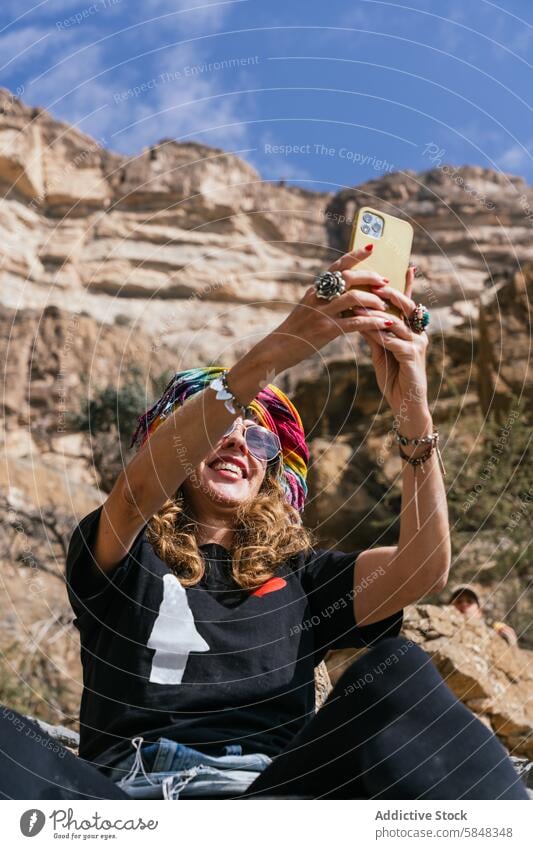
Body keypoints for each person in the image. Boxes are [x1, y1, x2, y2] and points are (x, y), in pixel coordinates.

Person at [65, 245, 527, 800]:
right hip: (129, 792)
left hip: (272, 796)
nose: (238, 440)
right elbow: (140, 488)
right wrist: (279, 350)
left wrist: (414, 412)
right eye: (222, 427)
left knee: (400, 668)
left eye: (260, 438)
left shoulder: (304, 579)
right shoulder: (124, 548)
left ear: (271, 473)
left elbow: (423, 570)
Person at [449, 585, 518, 646]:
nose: (464, 604)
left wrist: (512, 646)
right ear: (450, 606)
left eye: (469, 601)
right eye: (459, 601)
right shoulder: (445, 629)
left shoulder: (492, 637)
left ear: (479, 611)